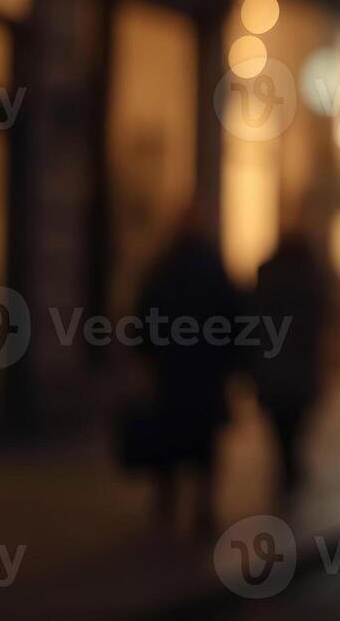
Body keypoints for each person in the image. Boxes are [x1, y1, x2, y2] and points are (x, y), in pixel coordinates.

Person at [132, 212, 241, 536]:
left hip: (171, 370)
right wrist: (230, 362)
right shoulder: (213, 269)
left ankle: (167, 500)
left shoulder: (161, 268)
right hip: (205, 372)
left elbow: (143, 318)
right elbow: (235, 318)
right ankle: (203, 506)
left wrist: (149, 355)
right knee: (203, 442)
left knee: (169, 436)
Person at [249, 234, 326, 504]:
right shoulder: (310, 279)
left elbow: (252, 322)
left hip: (273, 366)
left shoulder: (266, 277)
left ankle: (286, 466)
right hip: (299, 367)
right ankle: (289, 467)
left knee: (280, 425)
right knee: (294, 424)